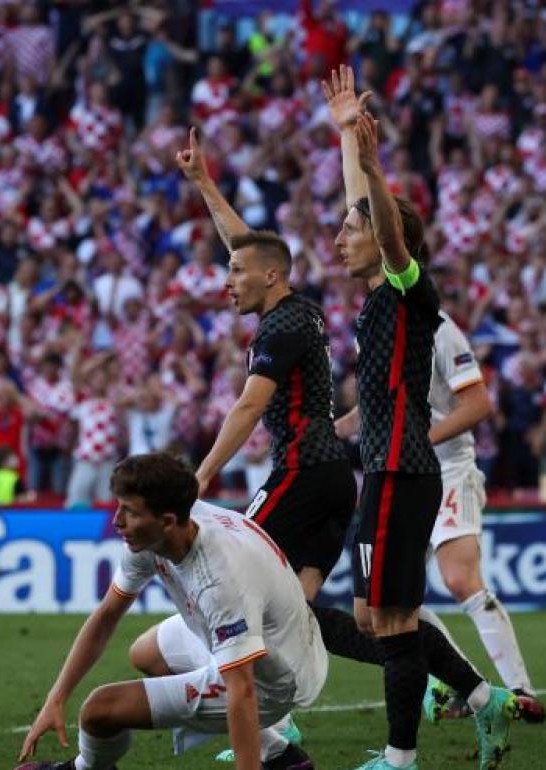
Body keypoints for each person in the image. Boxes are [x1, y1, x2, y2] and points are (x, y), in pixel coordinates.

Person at [324, 65, 515, 770]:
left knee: (394, 622)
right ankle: (480, 696)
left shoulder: (410, 293)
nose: (341, 237)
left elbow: (386, 227)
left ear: (387, 240)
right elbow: (366, 209)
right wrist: (347, 133)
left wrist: (372, 165)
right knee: (377, 618)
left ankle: (399, 758)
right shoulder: (378, 295)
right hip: (389, 468)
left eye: (353, 229)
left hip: (403, 469)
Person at [15, 453, 321, 770]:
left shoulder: (220, 580)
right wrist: (56, 697)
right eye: (119, 506)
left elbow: (242, 691)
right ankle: (282, 757)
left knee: (98, 711)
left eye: (129, 512)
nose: (117, 521)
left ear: (167, 521)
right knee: (146, 653)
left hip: (273, 678)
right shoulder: (166, 526)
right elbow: (107, 616)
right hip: (273, 634)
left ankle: (83, 768)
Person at [338, 310, 546, 723]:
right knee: (392, 599)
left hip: (448, 468)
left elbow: (478, 405)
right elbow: (375, 406)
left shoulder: (436, 327)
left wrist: (415, 441)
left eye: (353, 238)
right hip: (397, 471)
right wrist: (331, 431)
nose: (341, 243)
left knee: (459, 579)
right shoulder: (370, 328)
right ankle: (468, 685)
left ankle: (521, 690)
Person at [178, 126, 356, 603]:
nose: (228, 281)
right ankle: (437, 666)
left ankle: (220, 678)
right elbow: (248, 247)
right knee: (298, 608)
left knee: (234, 569)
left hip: (303, 469)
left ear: (270, 277)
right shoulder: (302, 309)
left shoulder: (279, 329)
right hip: (335, 476)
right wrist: (204, 182)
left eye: (236, 273)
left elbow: (249, 406)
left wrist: (201, 474)